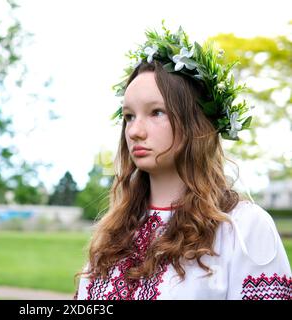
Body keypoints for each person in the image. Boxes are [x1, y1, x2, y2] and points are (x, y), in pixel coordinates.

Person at [74, 23, 292, 300]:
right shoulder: (116, 229)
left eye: (156, 112)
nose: (134, 131)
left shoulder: (243, 227)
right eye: (129, 116)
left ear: (195, 124)